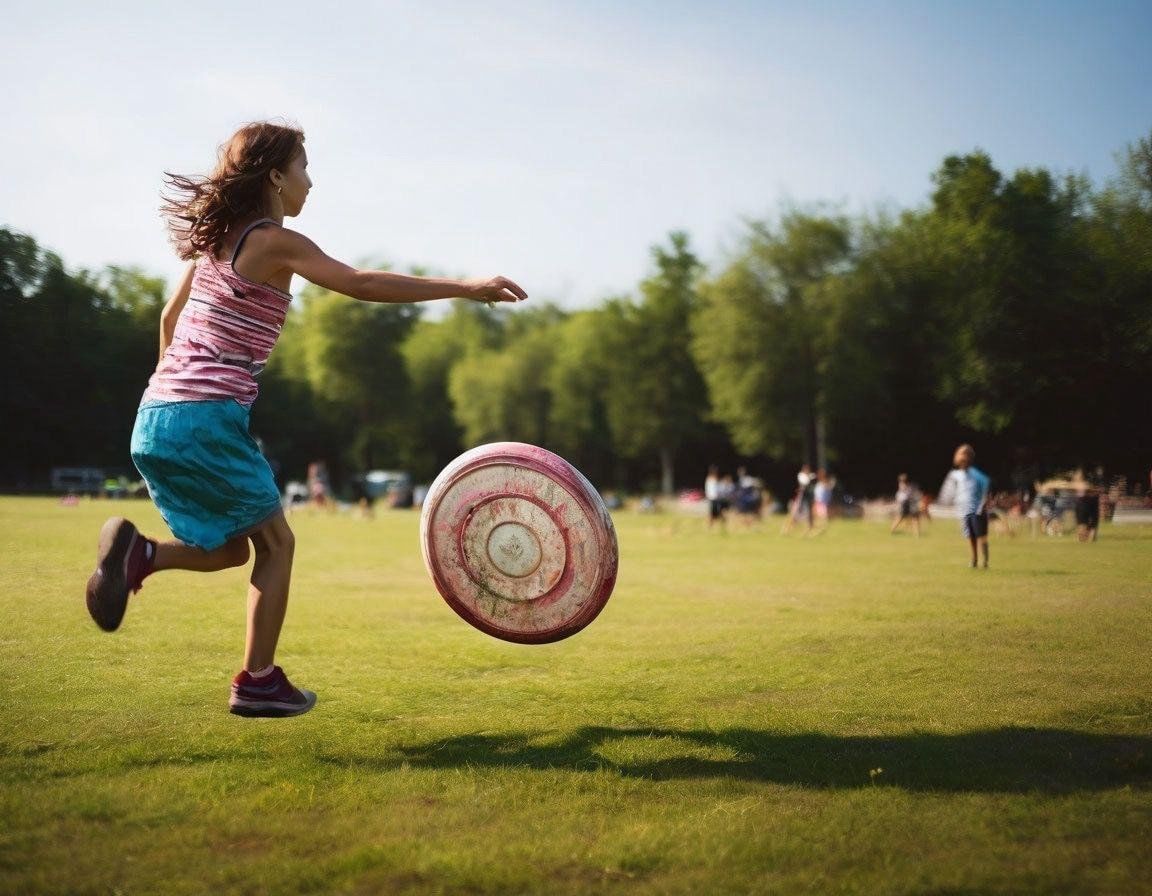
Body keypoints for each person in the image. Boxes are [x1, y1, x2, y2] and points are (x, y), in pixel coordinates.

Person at [83, 121, 527, 717]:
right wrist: (464, 287)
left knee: (231, 550)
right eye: (303, 168)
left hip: (155, 418)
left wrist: (172, 393)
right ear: (274, 176)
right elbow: (358, 281)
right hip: (204, 417)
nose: (310, 182)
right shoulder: (271, 241)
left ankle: (141, 556)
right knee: (277, 542)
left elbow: (168, 319)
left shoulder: (213, 245)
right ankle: (258, 681)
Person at [942, 444, 991, 568]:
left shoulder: (976, 474)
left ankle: (985, 561)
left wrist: (983, 504)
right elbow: (950, 492)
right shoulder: (956, 475)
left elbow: (986, 486)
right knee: (970, 536)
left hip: (977, 510)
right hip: (963, 511)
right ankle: (974, 559)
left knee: (981, 536)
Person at [704, 465, 728, 531]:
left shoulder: (711, 479)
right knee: (714, 513)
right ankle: (711, 527)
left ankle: (720, 526)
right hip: (714, 499)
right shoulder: (711, 479)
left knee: (718, 513)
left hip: (715, 499)